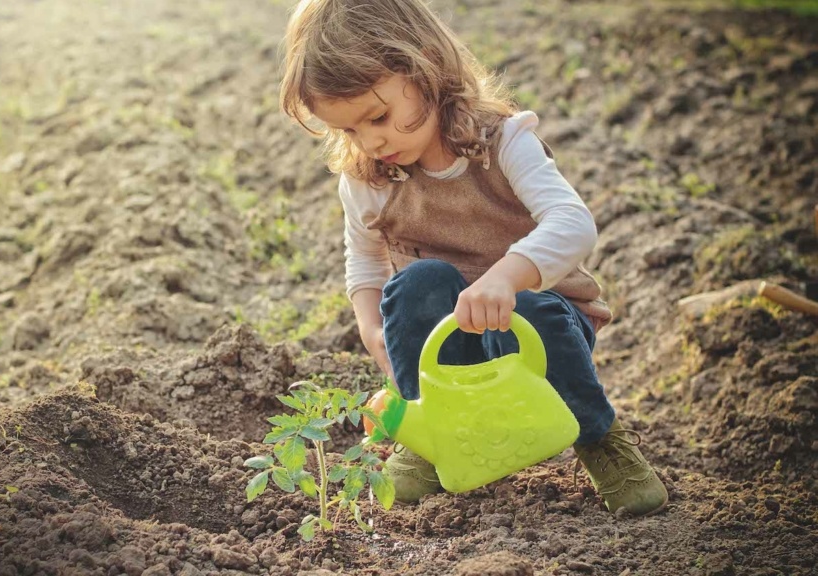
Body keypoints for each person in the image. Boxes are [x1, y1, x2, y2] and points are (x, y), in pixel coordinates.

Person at [278, 0, 667, 516]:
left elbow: (573, 222)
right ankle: (429, 439)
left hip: (540, 328)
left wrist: (507, 277)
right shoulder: (370, 178)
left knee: (531, 306)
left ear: (425, 66)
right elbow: (365, 261)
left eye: (379, 116)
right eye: (349, 131)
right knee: (417, 285)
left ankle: (600, 440)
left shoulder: (503, 142)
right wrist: (372, 328)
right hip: (447, 342)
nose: (371, 140)